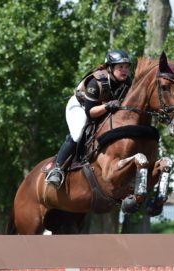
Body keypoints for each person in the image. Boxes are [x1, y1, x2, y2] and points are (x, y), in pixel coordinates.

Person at [46, 50, 133, 188]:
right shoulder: (96, 82)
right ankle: (57, 169)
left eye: (126, 67)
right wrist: (108, 106)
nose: (124, 70)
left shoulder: (127, 82)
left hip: (103, 107)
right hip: (80, 107)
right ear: (110, 68)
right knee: (79, 131)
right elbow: (90, 113)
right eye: (120, 67)